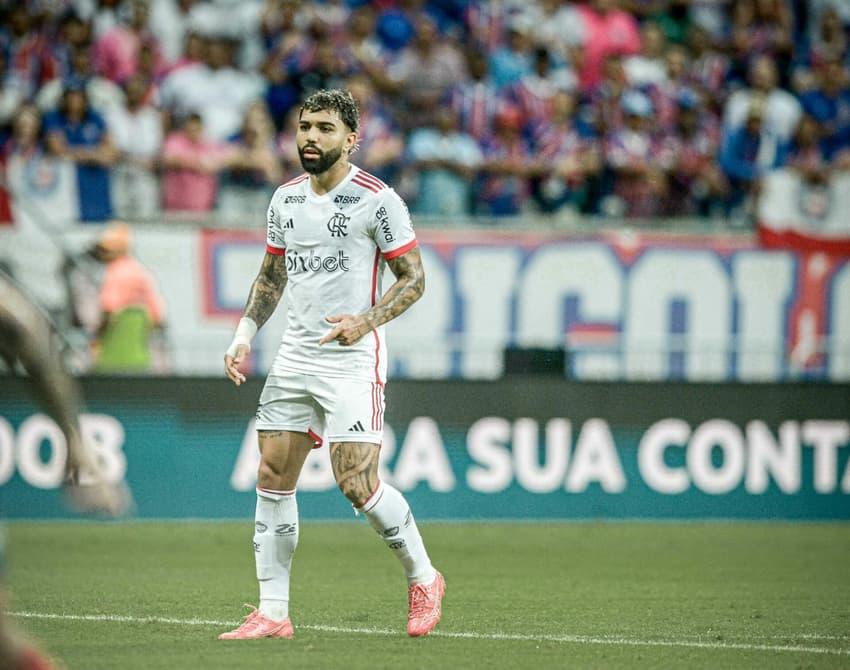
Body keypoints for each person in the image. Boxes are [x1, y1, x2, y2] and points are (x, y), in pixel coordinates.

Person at [219, 89, 444, 641]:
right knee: (272, 478)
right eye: (304, 127)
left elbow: (413, 279)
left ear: (351, 138)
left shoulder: (377, 199)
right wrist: (244, 333)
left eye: (323, 128)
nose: (310, 138)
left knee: (356, 482)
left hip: (351, 358)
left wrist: (364, 323)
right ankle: (273, 612)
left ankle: (425, 577)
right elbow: (272, 276)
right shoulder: (285, 200)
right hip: (295, 355)